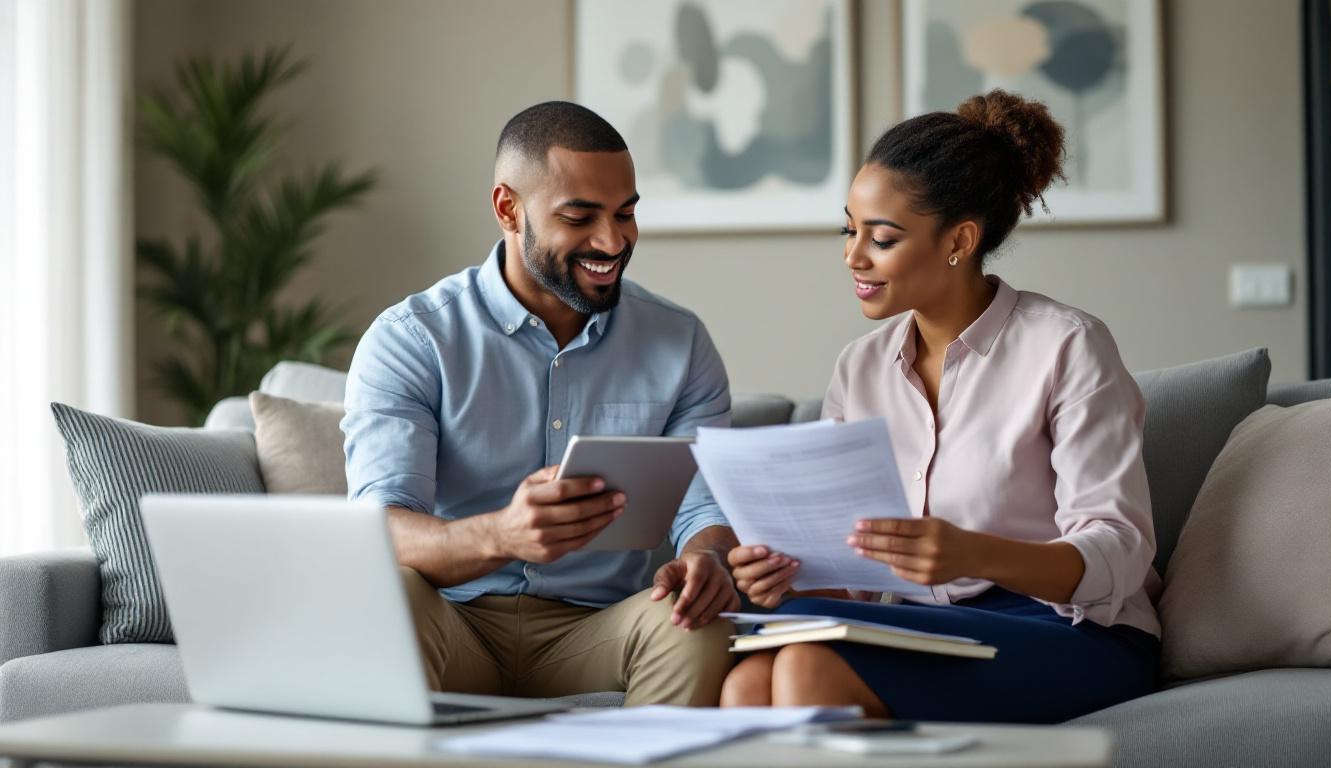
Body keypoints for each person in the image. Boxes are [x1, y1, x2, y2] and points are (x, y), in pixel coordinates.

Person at [721, 90, 1161, 723]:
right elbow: (852, 572)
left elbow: (1120, 548)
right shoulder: (860, 367)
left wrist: (972, 552)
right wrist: (786, 572)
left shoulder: (1067, 344)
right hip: (921, 626)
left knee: (803, 662)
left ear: (959, 239)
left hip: (1074, 633)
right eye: (850, 229)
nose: (853, 255)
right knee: (751, 673)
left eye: (883, 237)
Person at [341, 101, 739, 707]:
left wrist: (707, 558)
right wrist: (503, 534)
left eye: (626, 213)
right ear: (508, 208)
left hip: (596, 628)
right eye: (580, 216)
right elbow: (381, 531)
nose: (612, 241)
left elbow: (704, 508)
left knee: (698, 621)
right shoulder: (412, 338)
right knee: (386, 590)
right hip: (454, 622)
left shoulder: (679, 343)